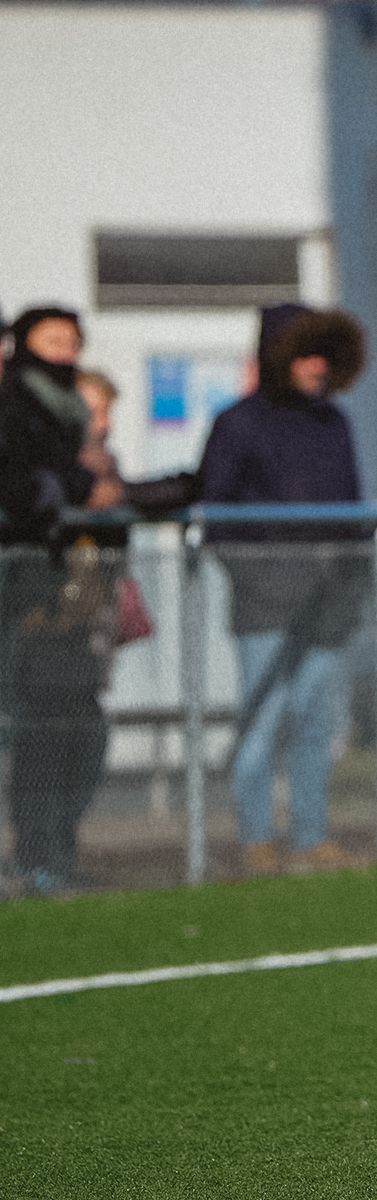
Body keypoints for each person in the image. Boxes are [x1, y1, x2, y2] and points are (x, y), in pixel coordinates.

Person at [200, 303, 369, 877]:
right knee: (263, 717)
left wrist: (352, 579)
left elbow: (351, 506)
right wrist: (260, 578)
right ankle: (255, 840)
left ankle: (310, 837)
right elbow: (213, 515)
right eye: (304, 353)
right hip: (265, 604)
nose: (317, 366)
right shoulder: (237, 423)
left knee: (316, 720)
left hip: (330, 602)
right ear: (278, 357)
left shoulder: (335, 422)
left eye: (324, 353)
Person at [0, 308, 109, 892]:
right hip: (25, 593)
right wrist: (78, 486)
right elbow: (28, 484)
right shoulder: (18, 407)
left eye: (72, 340)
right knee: (39, 735)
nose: (64, 351)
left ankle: (53, 858)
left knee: (75, 731)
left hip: (56, 599)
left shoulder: (68, 410)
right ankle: (38, 859)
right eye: (52, 340)